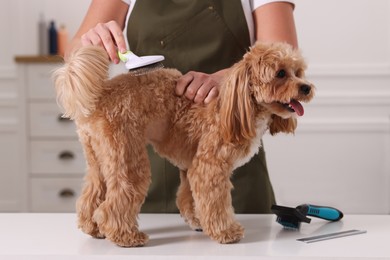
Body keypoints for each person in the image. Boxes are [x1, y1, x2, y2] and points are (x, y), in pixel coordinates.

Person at [65, 0, 297, 213]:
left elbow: (282, 60)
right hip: (143, 165)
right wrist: (91, 45)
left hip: (233, 170)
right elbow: (74, 50)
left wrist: (230, 80)